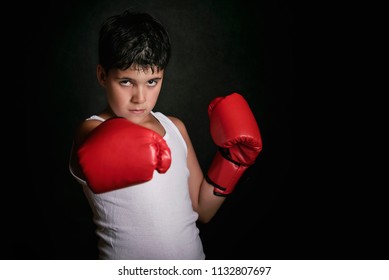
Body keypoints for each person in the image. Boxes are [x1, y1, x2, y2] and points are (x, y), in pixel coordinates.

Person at [69, 9, 262, 260]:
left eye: (152, 82)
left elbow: (202, 210)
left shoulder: (175, 128)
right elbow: (92, 149)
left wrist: (232, 162)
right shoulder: (91, 130)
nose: (140, 98)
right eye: (126, 82)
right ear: (102, 76)